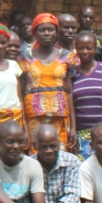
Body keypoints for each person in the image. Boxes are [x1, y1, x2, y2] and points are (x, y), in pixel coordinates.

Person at [21, 13, 78, 150]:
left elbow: (69, 92)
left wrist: (73, 127)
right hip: (33, 117)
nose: (47, 33)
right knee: (36, 157)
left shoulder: (68, 57)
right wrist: (23, 127)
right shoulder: (25, 58)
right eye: (42, 30)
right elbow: (21, 93)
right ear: (35, 33)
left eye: (51, 30)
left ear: (56, 32)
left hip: (60, 117)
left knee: (60, 154)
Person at [31, 124, 82, 203]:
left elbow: (73, 194)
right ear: (35, 146)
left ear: (59, 143)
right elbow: (28, 198)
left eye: (53, 145)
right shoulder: (28, 164)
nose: (49, 150)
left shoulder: (72, 161)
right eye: (43, 146)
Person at [72, 31, 102, 160]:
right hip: (82, 136)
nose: (85, 51)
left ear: (95, 48)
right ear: (75, 48)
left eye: (89, 47)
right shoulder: (72, 73)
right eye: (80, 48)